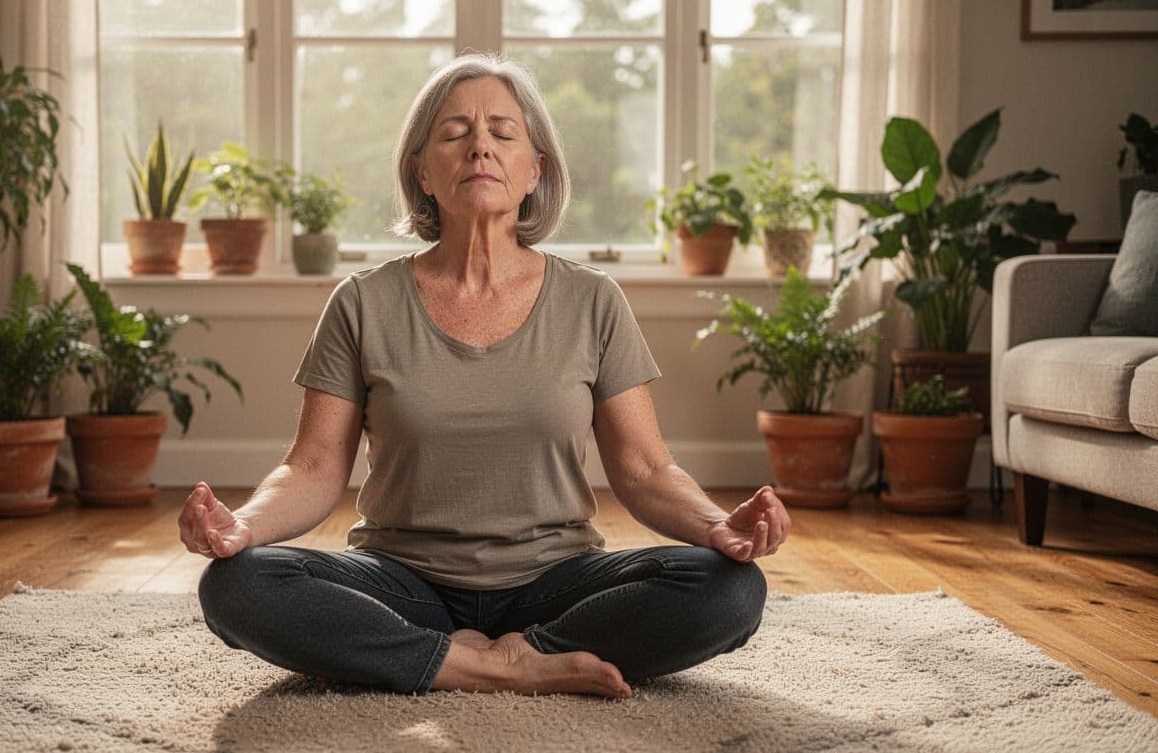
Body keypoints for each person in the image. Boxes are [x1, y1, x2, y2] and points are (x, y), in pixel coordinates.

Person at [182, 54, 791, 701]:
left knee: (731, 588)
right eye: (454, 133)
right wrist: (242, 526)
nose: (480, 147)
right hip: (403, 583)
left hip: (556, 584)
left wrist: (715, 525)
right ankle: (497, 666)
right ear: (422, 171)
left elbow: (644, 470)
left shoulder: (593, 301)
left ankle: (474, 654)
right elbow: (311, 469)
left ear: (535, 171)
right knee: (236, 584)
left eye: (503, 132)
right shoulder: (361, 302)